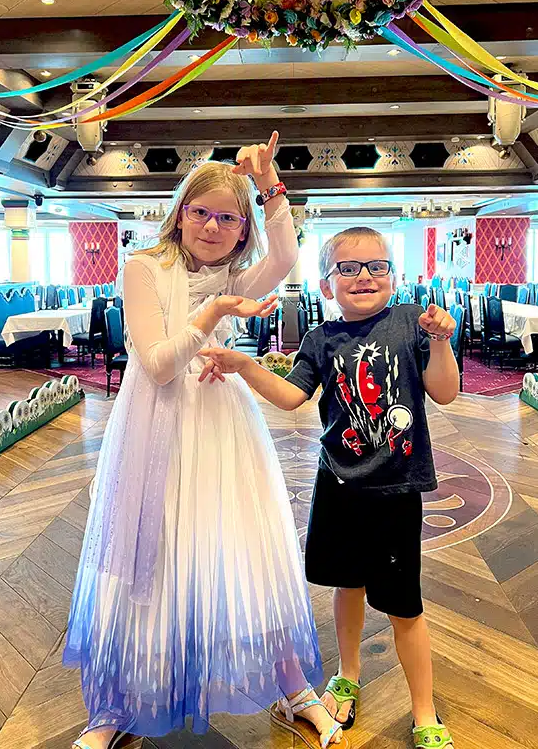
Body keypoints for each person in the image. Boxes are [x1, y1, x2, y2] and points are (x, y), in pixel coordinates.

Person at [67, 133, 349, 749]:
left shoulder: (236, 271)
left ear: (242, 231)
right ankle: (119, 708)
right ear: (180, 212)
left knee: (247, 549)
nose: (214, 226)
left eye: (229, 218)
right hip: (155, 431)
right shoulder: (143, 267)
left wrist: (270, 185)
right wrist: (214, 312)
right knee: (152, 555)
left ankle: (293, 688)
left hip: (222, 425)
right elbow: (161, 365)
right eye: (203, 212)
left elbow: (286, 256)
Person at [199, 226, 459, 749]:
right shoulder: (321, 341)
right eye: (348, 268)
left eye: (376, 266)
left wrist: (440, 340)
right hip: (339, 485)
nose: (364, 276)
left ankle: (425, 712)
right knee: (348, 585)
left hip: (396, 491)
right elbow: (291, 397)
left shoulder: (412, 323)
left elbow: (446, 392)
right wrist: (247, 365)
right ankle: (347, 674)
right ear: (326, 284)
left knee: (406, 607)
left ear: (394, 275)